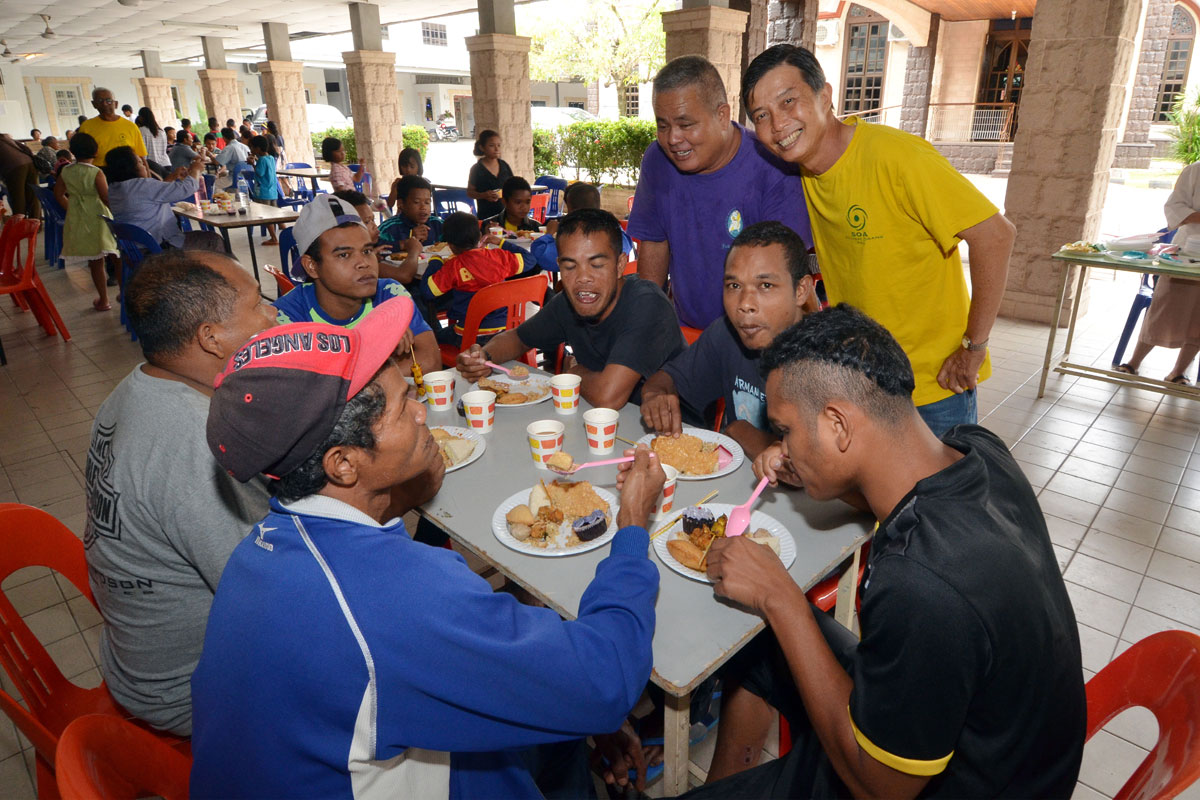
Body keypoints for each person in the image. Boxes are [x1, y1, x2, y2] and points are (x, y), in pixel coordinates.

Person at [189, 294, 665, 797]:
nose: (424, 413)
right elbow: (605, 679)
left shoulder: (257, 552)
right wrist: (632, 526)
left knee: (559, 729)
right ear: (343, 464)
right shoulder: (403, 597)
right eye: (402, 407)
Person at [670, 304, 1086, 798]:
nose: (780, 444)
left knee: (775, 616)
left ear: (839, 427)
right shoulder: (975, 447)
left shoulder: (923, 580)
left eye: (785, 431)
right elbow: (875, 486)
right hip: (1000, 734)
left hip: (936, 784)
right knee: (754, 642)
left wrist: (778, 595)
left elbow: (880, 788)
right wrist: (809, 466)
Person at [741, 45, 1016, 436]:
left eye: (789, 102)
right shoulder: (803, 174)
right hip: (862, 382)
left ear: (824, 96)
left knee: (934, 496)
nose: (778, 124)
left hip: (933, 387)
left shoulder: (897, 157)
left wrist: (974, 347)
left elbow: (996, 235)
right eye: (762, 116)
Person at [83, 249, 276, 736]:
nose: (272, 313)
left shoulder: (140, 387)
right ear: (211, 339)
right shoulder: (197, 444)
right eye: (257, 303)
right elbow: (272, 593)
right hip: (189, 692)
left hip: (136, 656)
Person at [627, 55, 812, 330]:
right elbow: (654, 243)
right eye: (662, 125)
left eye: (685, 124)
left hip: (758, 339)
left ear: (722, 115)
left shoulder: (773, 166)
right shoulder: (657, 160)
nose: (672, 138)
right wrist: (649, 326)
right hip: (685, 334)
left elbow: (787, 276)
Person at [458, 209, 686, 409]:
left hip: (677, 435)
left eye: (596, 265)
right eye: (569, 266)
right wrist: (483, 356)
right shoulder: (568, 302)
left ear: (619, 265)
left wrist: (574, 370)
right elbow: (519, 337)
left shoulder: (647, 304)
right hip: (605, 426)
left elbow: (608, 397)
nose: (583, 278)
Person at [641, 222, 816, 460]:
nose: (745, 304)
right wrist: (655, 395)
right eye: (734, 286)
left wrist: (740, 431)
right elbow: (666, 380)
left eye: (765, 285)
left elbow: (816, 465)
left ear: (801, 290)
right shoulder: (728, 334)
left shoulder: (827, 360)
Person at [273, 194, 440, 377]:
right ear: (312, 266)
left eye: (367, 251)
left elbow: (430, 360)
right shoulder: (286, 319)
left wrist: (347, 378)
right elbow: (304, 390)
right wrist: (378, 355)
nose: (364, 263)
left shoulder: (390, 294)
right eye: (344, 255)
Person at [1114, 161, 1200, 384]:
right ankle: (1133, 363)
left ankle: (1178, 372)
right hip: (1186, 252)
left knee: (1198, 320)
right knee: (1163, 307)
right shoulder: (1196, 170)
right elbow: (1175, 207)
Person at [422, 211, 537, 345]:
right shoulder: (499, 257)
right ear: (480, 236)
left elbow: (427, 292)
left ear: (451, 245)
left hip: (468, 336)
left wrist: (435, 261)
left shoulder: (453, 267)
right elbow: (530, 259)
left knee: (437, 334)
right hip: (504, 332)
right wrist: (501, 242)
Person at [106, 145, 222, 251]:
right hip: (161, 247)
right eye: (140, 163)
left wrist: (173, 176)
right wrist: (196, 170)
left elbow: (153, 195)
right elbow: (187, 188)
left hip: (136, 249)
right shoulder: (143, 186)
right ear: (130, 167)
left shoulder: (114, 189)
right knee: (213, 240)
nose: (144, 166)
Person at [55, 132, 118, 311]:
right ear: (96, 151)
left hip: (79, 217)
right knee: (115, 254)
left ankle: (104, 300)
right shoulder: (96, 172)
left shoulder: (66, 171)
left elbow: (58, 194)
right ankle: (123, 292)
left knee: (95, 260)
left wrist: (72, 208)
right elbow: (106, 198)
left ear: (72, 151)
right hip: (99, 216)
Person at [531, 182, 634, 273]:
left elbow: (540, 255)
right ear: (598, 205)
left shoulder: (573, 239)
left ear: (572, 211)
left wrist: (549, 233)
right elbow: (627, 243)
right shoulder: (614, 229)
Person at [77, 87, 147, 168]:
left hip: (128, 172)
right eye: (100, 101)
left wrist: (148, 179)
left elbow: (140, 156)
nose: (104, 104)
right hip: (101, 172)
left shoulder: (131, 126)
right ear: (94, 104)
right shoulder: (86, 127)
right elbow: (82, 160)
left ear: (116, 104)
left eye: (109, 101)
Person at [378, 174, 442, 258]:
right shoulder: (389, 228)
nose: (423, 208)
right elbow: (373, 249)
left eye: (427, 202)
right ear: (401, 204)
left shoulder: (437, 224)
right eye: (416, 202)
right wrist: (405, 243)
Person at [466, 129, 512, 221]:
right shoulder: (476, 169)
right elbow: (470, 192)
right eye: (491, 145)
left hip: (506, 215)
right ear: (482, 147)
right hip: (486, 216)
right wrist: (483, 195)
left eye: (498, 145)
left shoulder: (504, 165)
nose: (496, 149)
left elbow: (513, 186)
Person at [249, 134, 280, 246]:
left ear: (257, 148)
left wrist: (253, 164)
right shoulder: (270, 157)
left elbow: (260, 173)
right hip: (272, 191)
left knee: (266, 216)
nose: (251, 150)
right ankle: (283, 227)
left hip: (263, 192)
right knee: (274, 213)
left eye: (252, 147)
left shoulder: (261, 160)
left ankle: (273, 237)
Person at [0, 133, 40, 219]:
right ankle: (35, 223)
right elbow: (25, 148)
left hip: (13, 167)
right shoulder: (5, 137)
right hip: (29, 162)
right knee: (32, 195)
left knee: (18, 197)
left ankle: (20, 225)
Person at [135, 106, 170, 177]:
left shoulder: (142, 131)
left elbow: (142, 151)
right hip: (166, 163)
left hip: (152, 165)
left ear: (141, 118)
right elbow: (164, 149)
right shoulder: (162, 131)